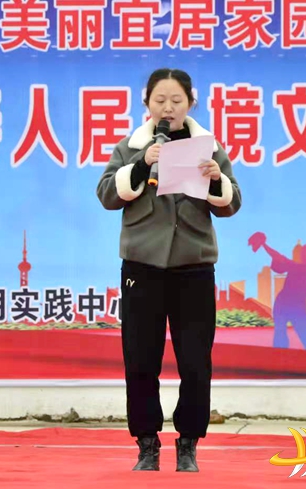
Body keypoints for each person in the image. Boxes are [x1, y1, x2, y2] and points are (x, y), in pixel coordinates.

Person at [96, 68, 242, 473]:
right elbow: (107, 194)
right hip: (142, 268)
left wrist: (216, 179)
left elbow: (232, 203)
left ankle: (188, 442)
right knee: (141, 360)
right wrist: (141, 164)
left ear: (191, 103)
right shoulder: (131, 146)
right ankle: (146, 443)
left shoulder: (209, 147)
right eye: (160, 100)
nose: (168, 108)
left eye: (176, 100)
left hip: (194, 269)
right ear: (146, 103)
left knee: (195, 362)